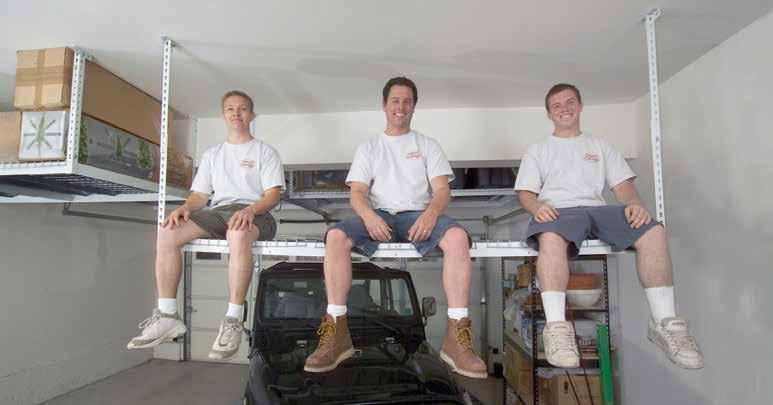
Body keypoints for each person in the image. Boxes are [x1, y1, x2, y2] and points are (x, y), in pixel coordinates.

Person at [303, 77, 487, 378]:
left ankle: (457, 338)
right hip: (379, 215)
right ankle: (336, 332)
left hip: (418, 214)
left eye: (407, 101)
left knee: (456, 237)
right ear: (384, 105)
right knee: (335, 236)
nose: (401, 107)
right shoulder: (370, 147)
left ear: (414, 106)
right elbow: (357, 193)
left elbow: (442, 191)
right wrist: (369, 216)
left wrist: (430, 214)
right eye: (395, 101)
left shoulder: (427, 145)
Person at [514, 83, 703, 369]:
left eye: (570, 102)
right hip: (559, 211)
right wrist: (537, 207)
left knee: (653, 230)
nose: (564, 109)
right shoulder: (538, 150)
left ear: (580, 106)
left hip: (598, 210)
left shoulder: (600, 146)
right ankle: (557, 328)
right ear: (549, 114)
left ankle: (665, 323)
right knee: (550, 236)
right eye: (557, 106)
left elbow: (624, 187)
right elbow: (526, 194)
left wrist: (635, 204)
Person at [127, 91, 284, 360]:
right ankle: (168, 315)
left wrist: (250, 210)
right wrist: (185, 208)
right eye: (230, 108)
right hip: (219, 211)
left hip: (256, 212)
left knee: (237, 233)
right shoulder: (213, 154)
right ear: (223, 115)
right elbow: (200, 196)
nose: (236, 113)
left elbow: (272, 196)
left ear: (251, 115)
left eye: (242, 108)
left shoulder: (264, 151)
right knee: (167, 231)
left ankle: (233, 319)